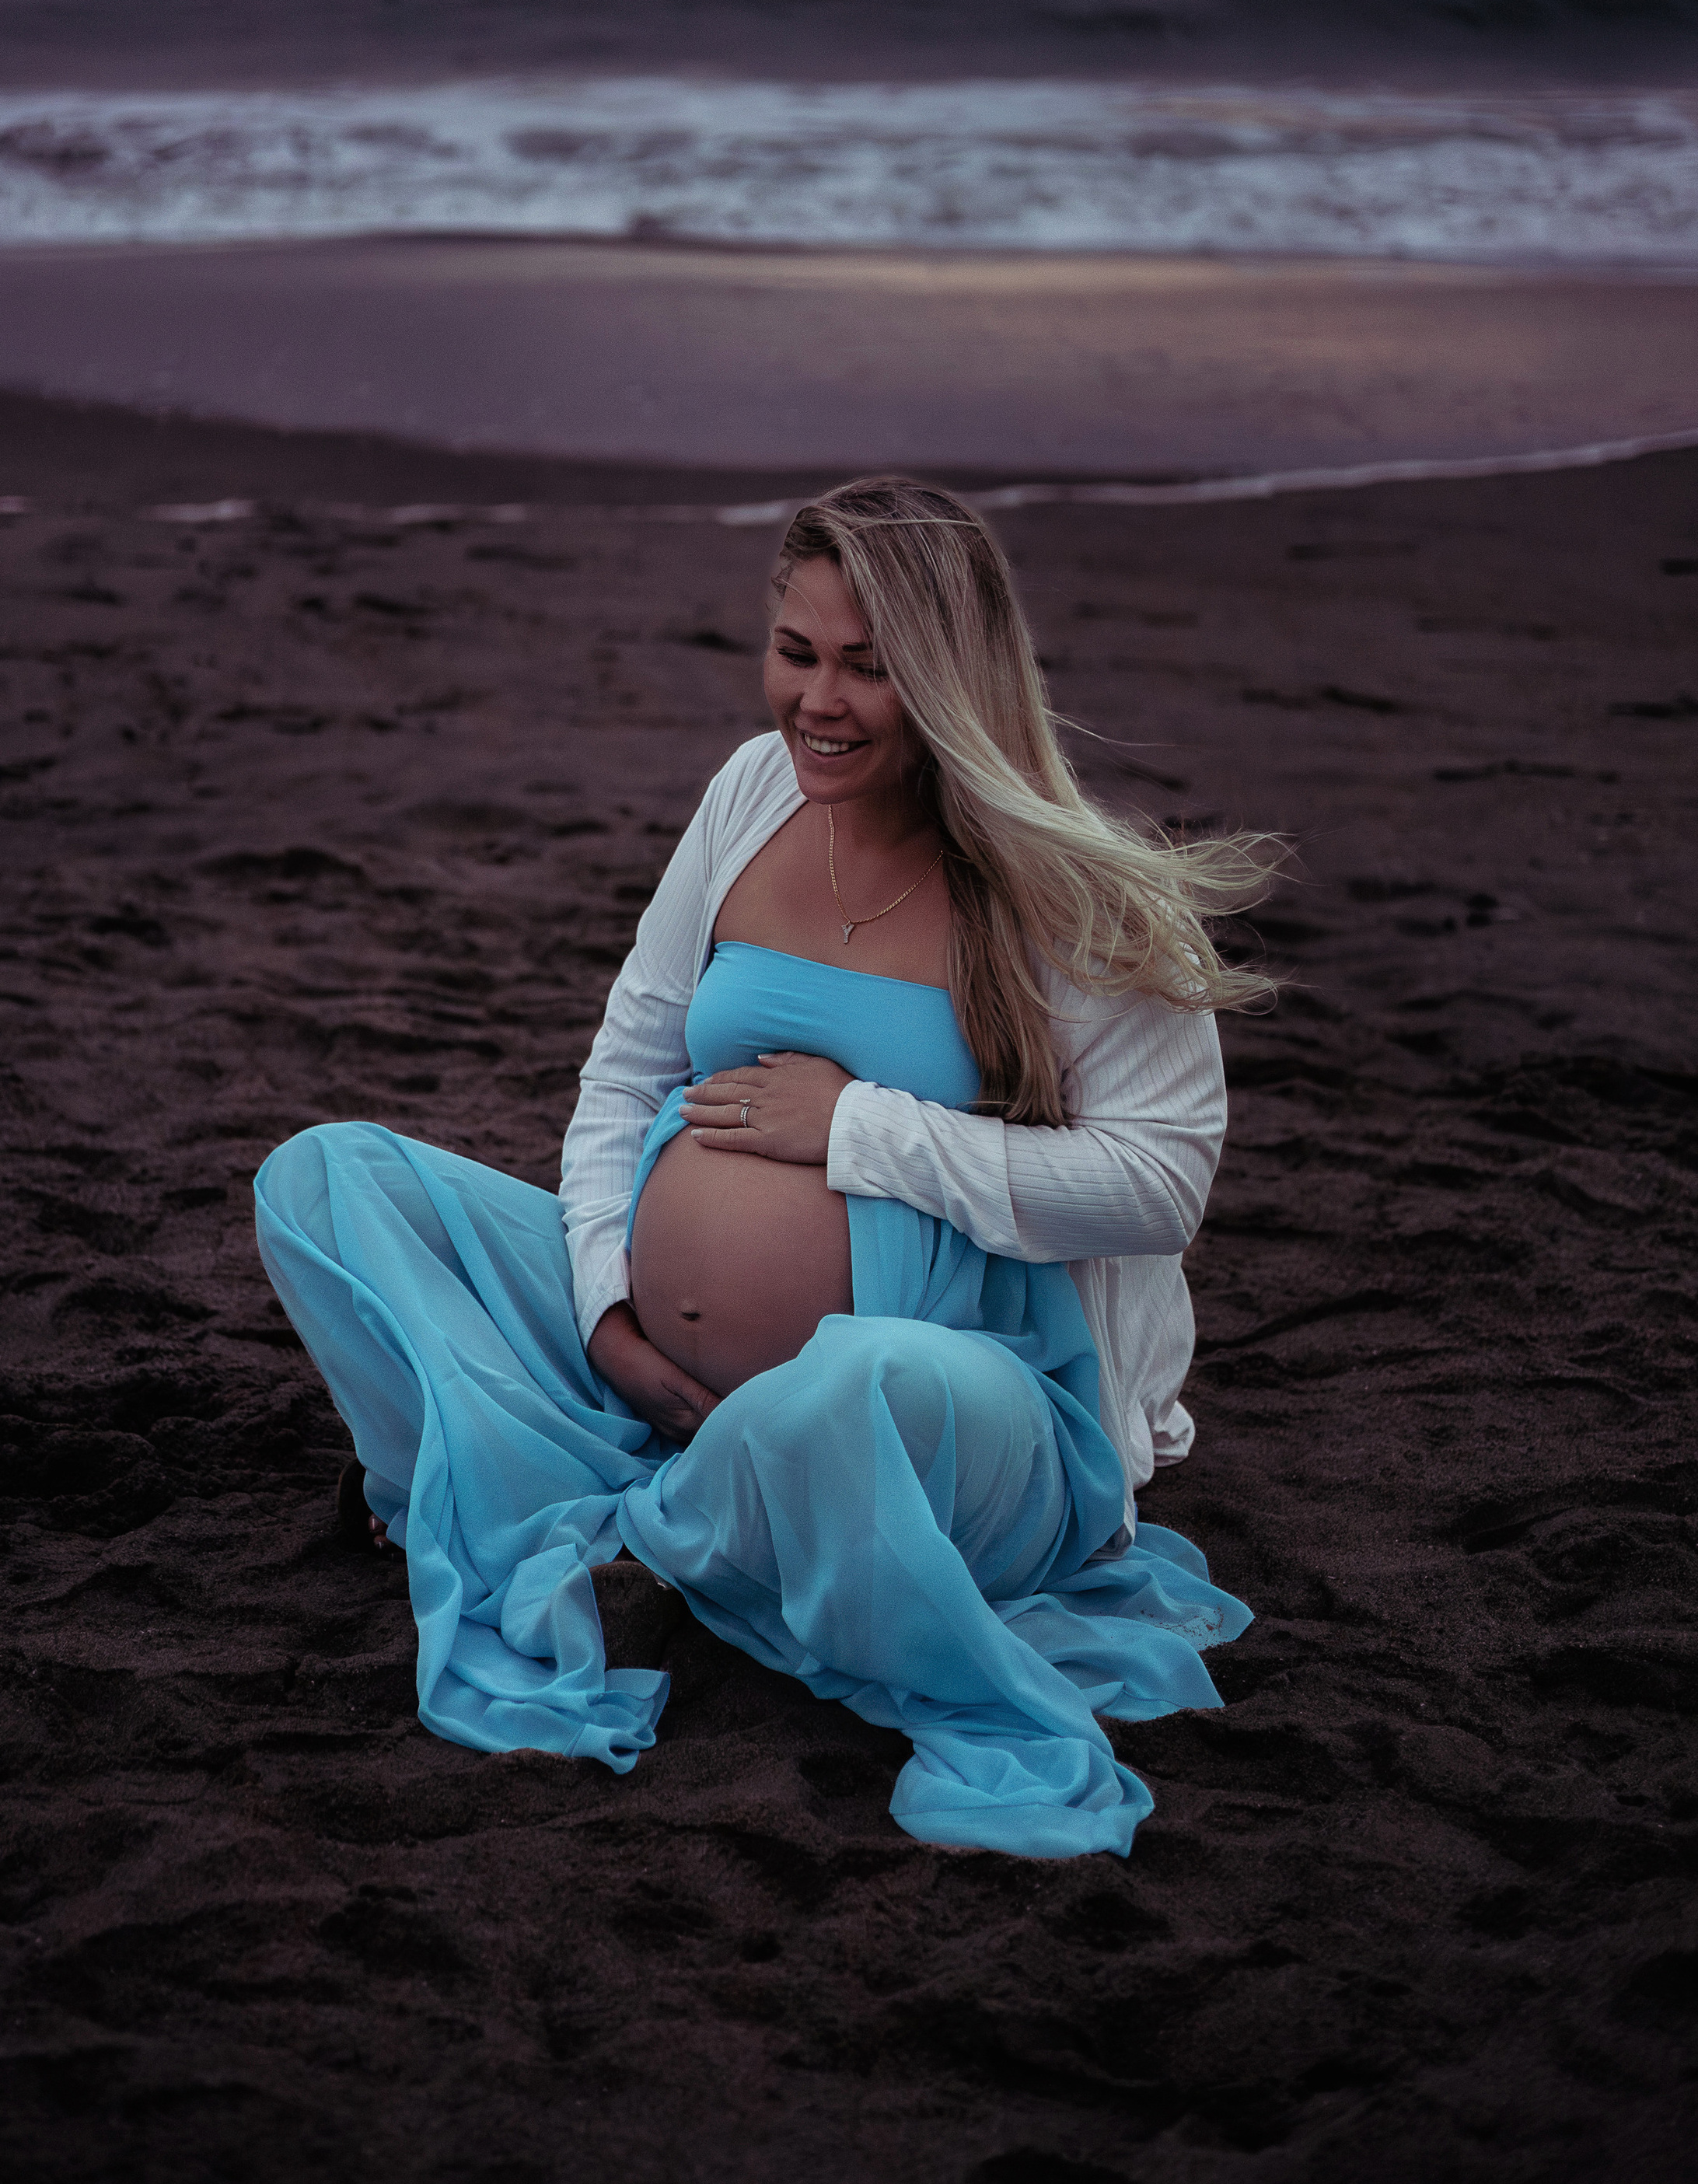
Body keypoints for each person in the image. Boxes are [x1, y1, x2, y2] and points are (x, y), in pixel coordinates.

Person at [253, 476, 1276, 1858]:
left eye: (870, 668)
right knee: (327, 1183)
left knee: (852, 1385)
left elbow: (1160, 1187)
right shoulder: (751, 792)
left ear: (952, 676)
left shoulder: (1071, 889)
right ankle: (671, 1497)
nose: (820, 702)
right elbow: (623, 1073)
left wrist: (856, 1129)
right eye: (798, 654)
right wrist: (609, 1310)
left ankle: (618, 1518)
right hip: (655, 1386)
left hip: (954, 1405)